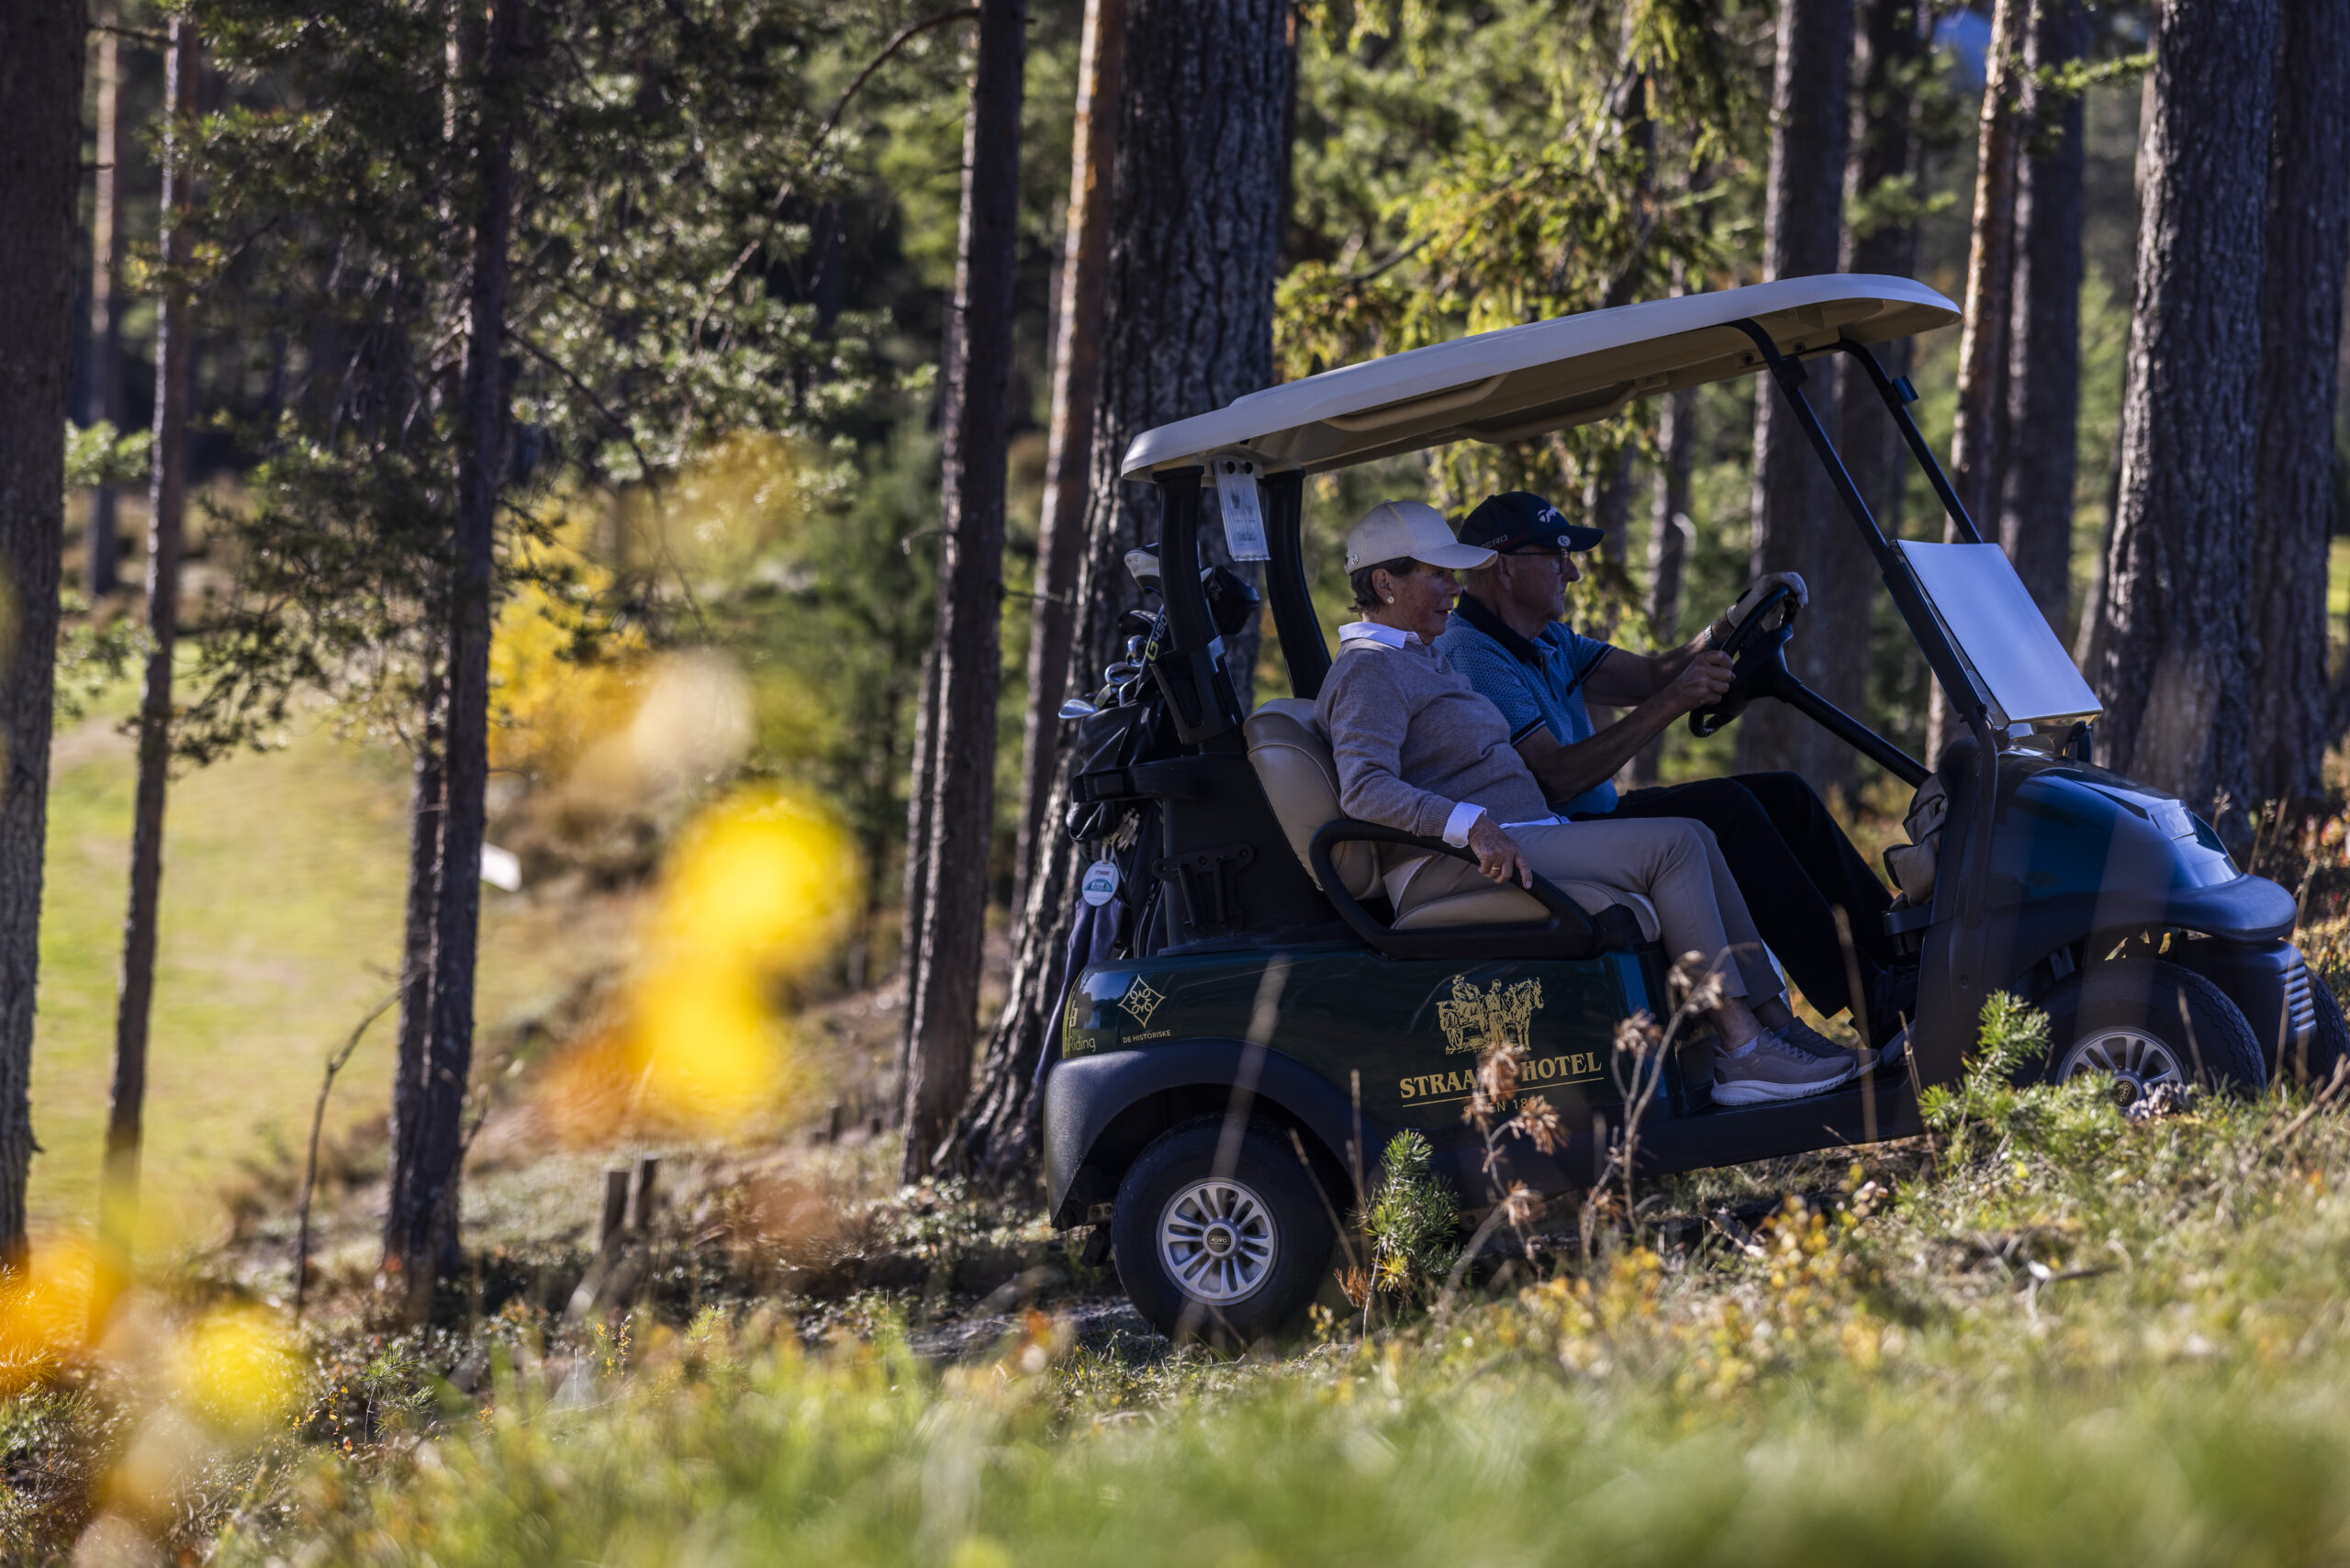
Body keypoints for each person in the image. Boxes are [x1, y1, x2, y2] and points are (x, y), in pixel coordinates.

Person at [1314, 498, 1865, 1106]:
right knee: (1676, 843)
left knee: (1699, 834)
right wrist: (1470, 826)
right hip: (1455, 865)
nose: (1454, 587)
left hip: (1515, 836)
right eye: (1438, 574)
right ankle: (1741, 1048)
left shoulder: (1417, 654)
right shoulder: (1368, 670)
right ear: (1386, 582)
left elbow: (1649, 674)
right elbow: (1364, 788)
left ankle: (1777, 1032)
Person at [1433, 490, 1911, 1051]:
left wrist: (1731, 622)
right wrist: (1674, 702)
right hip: (1553, 834)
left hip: (1596, 814)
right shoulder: (1473, 653)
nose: (1575, 571)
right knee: (1730, 815)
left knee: (1785, 795)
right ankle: (1873, 1003)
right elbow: (1555, 779)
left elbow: (1651, 674)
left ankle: (1902, 960)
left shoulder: (1547, 638)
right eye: (1557, 556)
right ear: (1504, 567)